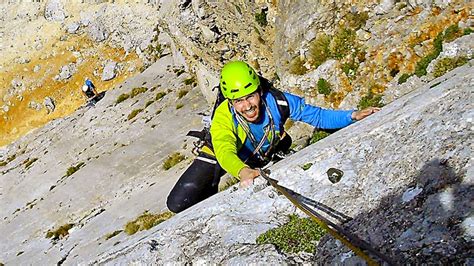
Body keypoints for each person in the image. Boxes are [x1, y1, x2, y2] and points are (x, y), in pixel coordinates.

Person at [166, 61, 380, 213]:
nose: (247, 106)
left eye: (250, 97)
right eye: (239, 101)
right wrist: (242, 171)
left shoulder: (278, 101)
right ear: (230, 102)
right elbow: (224, 150)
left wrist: (352, 116)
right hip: (219, 156)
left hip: (257, 155)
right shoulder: (224, 116)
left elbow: (316, 116)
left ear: (260, 91)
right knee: (178, 203)